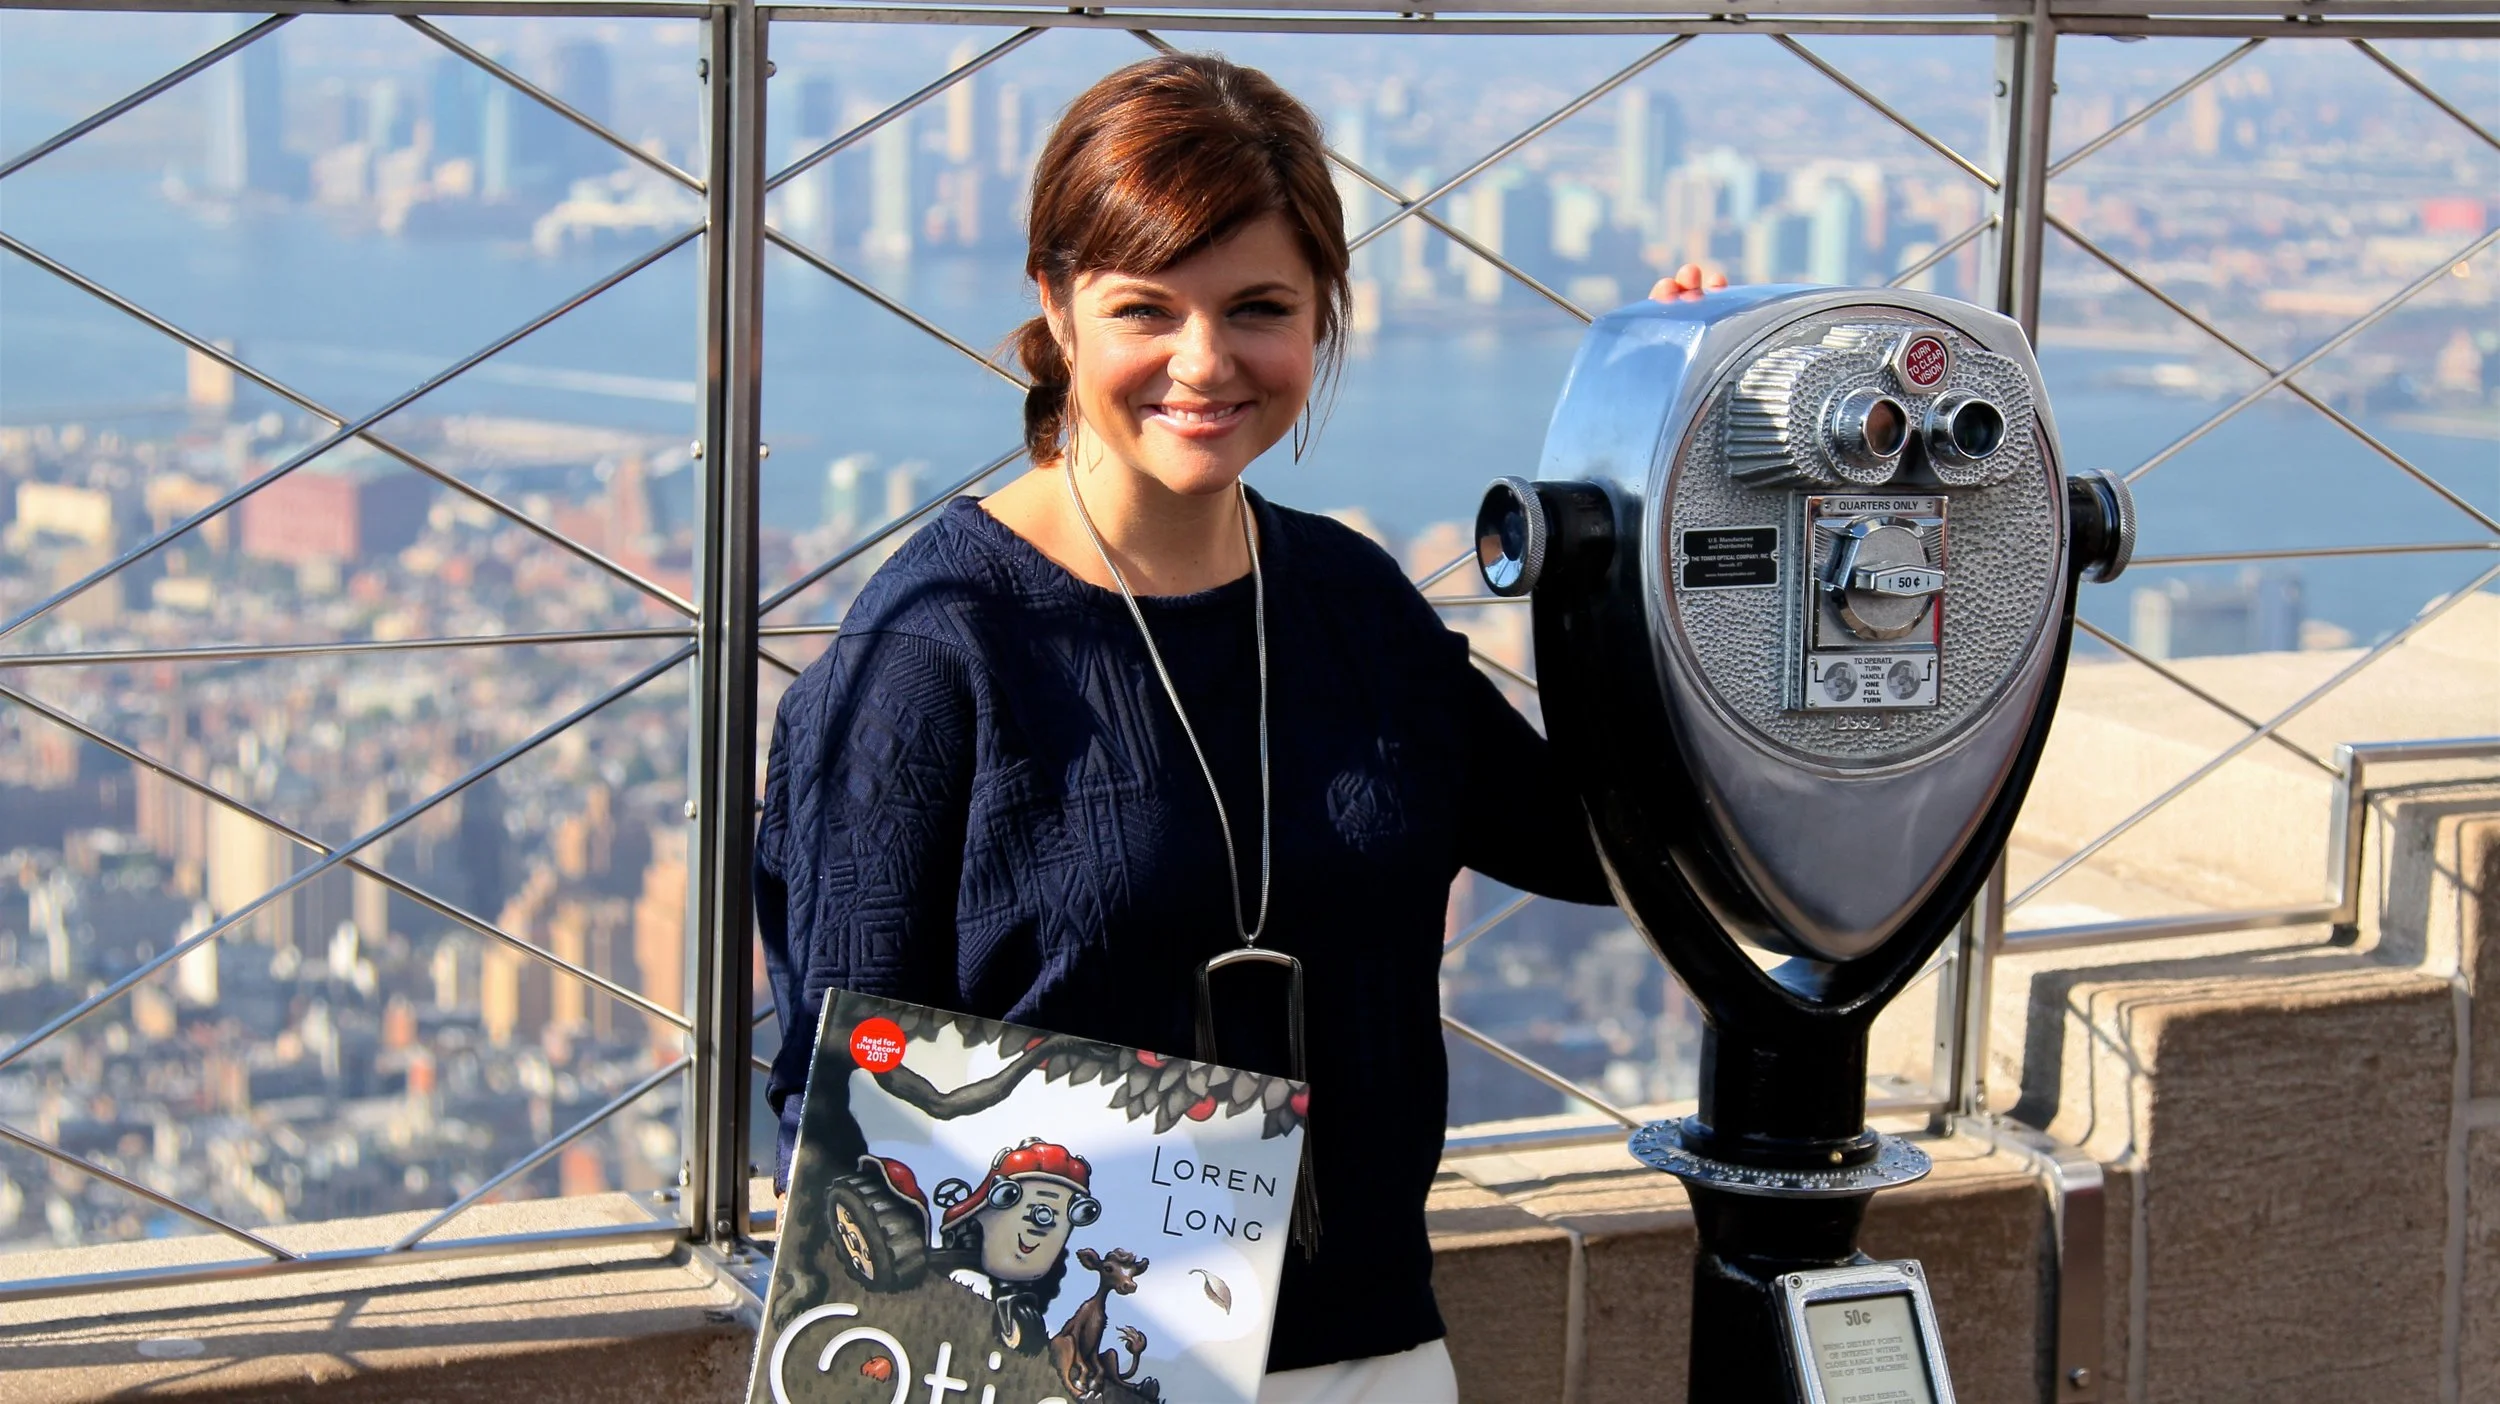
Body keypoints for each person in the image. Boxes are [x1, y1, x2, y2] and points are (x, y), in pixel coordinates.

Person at [755, 51, 1722, 1404]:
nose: (1204, 363)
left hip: (1368, 1349)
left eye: (1259, 308)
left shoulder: (1349, 603)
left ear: (1323, 312)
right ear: (1055, 304)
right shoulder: (935, 651)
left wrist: (1678, 463)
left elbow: (1610, 841)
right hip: (1051, 1368)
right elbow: (835, 1088)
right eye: (1145, 309)